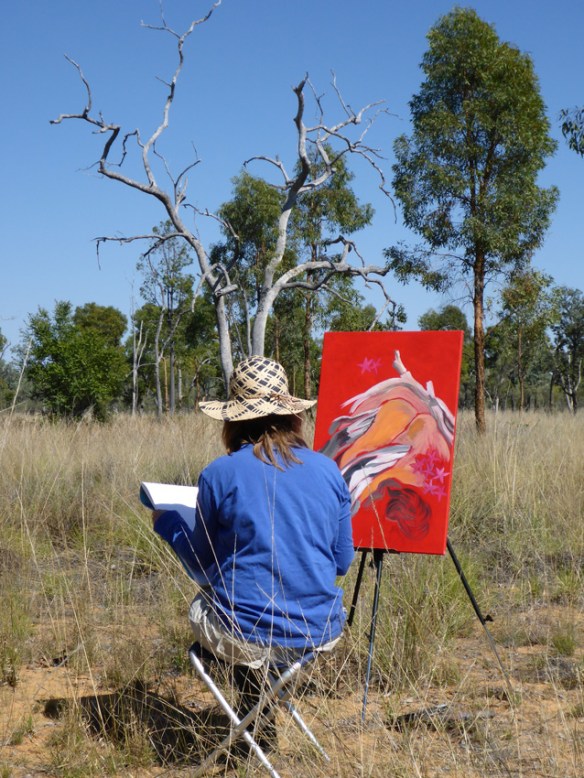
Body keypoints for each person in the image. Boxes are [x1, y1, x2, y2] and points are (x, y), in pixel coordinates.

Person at [153, 356, 354, 744]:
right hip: (319, 628)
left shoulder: (218, 473)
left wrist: (168, 525)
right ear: (293, 417)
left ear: (233, 421)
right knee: (245, 611)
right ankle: (260, 714)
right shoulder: (329, 471)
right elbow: (342, 562)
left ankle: (254, 721)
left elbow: (201, 563)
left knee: (214, 604)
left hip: (245, 629)